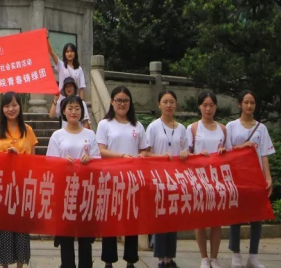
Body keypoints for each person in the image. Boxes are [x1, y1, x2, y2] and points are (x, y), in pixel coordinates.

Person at [96, 86, 149, 268]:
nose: (122, 104)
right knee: (110, 221)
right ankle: (109, 260)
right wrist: (122, 156)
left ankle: (131, 260)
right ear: (112, 102)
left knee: (131, 221)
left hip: (132, 180)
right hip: (110, 179)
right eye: (118, 100)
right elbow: (101, 150)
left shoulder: (137, 125)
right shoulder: (105, 124)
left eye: (125, 100)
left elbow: (144, 149)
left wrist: (140, 155)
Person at [47, 95, 99, 268]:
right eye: (70, 108)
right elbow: (50, 162)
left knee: (85, 234)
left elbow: (98, 160)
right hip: (65, 191)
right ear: (63, 111)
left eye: (77, 108)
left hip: (85, 190)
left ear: (82, 111)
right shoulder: (57, 135)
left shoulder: (90, 134)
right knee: (66, 234)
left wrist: (90, 159)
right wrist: (62, 162)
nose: (74, 112)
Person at [0, 92, 38, 268]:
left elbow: (34, 162)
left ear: (20, 106)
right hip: (2, 188)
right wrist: (6, 157)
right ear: (2, 109)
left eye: (14, 105)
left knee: (22, 230)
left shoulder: (28, 130)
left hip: (22, 187)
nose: (11, 109)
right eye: (7, 106)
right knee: (4, 229)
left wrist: (19, 158)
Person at [226, 90, 275, 268]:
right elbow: (226, 151)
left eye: (252, 102)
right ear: (239, 104)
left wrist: (268, 177)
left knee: (257, 217)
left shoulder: (261, 128)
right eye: (246, 102)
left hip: (256, 178)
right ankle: (235, 254)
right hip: (237, 177)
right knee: (236, 216)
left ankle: (253, 256)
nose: (249, 106)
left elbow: (264, 154)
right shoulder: (231, 126)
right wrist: (242, 147)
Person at [146, 90, 190, 268]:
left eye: (172, 102)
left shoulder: (182, 129)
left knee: (173, 219)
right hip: (158, 179)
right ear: (159, 105)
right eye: (165, 102)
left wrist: (185, 154)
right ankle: (161, 259)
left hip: (176, 180)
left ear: (176, 104)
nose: (168, 105)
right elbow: (145, 153)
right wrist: (160, 157)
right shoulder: (153, 127)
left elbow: (186, 151)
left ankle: (170, 257)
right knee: (160, 219)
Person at [188, 92, 231, 268]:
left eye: (211, 105)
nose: (208, 109)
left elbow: (229, 153)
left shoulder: (222, 129)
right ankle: (204, 257)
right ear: (199, 106)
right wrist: (197, 155)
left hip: (218, 179)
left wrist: (222, 152)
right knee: (200, 220)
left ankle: (214, 257)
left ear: (216, 107)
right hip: (199, 179)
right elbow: (186, 154)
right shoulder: (193, 128)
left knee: (216, 220)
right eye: (205, 105)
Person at [47, 33, 86, 100]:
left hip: (74, 101)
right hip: (62, 100)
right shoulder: (61, 65)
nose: (69, 54)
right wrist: (47, 39)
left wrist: (81, 103)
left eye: (71, 51)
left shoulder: (79, 69)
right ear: (64, 54)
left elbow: (81, 88)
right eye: (67, 52)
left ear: (75, 53)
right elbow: (51, 52)